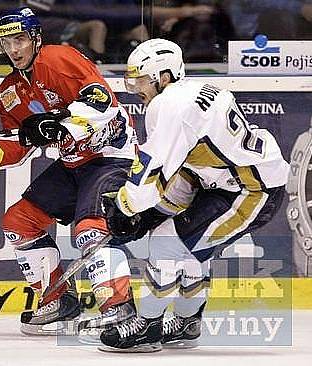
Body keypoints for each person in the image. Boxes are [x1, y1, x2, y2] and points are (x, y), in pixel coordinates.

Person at [0, 7, 140, 335]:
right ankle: (58, 299)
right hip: (72, 165)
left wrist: (60, 125)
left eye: (20, 40)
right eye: (6, 43)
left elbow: (103, 102)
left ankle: (121, 311)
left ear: (36, 39)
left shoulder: (58, 59)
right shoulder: (9, 92)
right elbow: (15, 148)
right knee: (18, 223)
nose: (13, 49)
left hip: (110, 158)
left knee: (89, 229)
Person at [97, 38, 289, 352]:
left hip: (251, 191)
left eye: (142, 80)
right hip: (241, 182)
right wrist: (155, 211)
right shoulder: (195, 91)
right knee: (191, 250)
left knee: (166, 243)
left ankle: (147, 326)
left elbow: (151, 168)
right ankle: (187, 323)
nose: (137, 89)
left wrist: (125, 205)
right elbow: (189, 168)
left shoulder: (169, 105)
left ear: (164, 76)